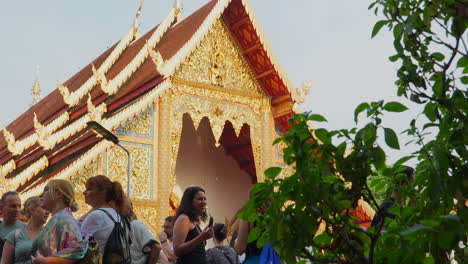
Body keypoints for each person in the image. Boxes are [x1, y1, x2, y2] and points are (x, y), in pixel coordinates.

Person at [31, 179, 88, 263]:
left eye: (46, 190)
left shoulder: (64, 218)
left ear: (58, 194)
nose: (40, 195)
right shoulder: (59, 218)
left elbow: (78, 248)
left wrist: (47, 261)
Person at [80, 175, 131, 257]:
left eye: (89, 189)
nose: (84, 192)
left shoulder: (97, 215)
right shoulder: (116, 214)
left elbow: (78, 245)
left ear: (101, 193)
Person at [1, 196, 49, 264]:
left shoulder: (51, 233)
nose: (48, 212)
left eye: (48, 209)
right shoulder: (15, 235)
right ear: (31, 210)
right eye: (44, 208)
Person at [172, 187, 213, 264]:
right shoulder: (184, 219)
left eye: (205, 199)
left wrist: (203, 235)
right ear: (190, 202)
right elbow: (177, 250)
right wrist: (201, 237)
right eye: (200, 199)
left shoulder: (193, 220)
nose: (204, 202)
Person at [0, 192, 26, 259]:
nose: (17, 210)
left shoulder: (27, 229)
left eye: (19, 206)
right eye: (13, 206)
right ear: (2, 207)